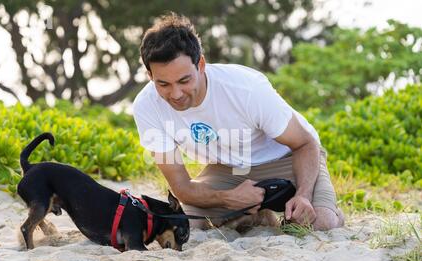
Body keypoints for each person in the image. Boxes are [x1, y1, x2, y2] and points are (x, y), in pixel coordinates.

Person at [132, 13, 344, 231]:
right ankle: (259, 215)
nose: (175, 94)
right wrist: (227, 198)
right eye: (163, 84)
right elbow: (182, 187)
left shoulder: (247, 89)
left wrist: (303, 196)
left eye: (184, 80)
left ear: (201, 64)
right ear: (150, 75)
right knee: (185, 226)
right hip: (228, 170)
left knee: (320, 223)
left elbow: (305, 144)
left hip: (288, 158)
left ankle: (331, 211)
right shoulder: (146, 106)